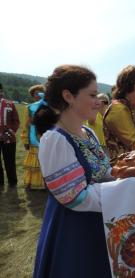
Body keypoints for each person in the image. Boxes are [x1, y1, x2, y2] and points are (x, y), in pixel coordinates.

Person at [32, 65, 113, 278]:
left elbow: (105, 172)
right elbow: (75, 198)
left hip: (99, 225)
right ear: (68, 96)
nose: (98, 101)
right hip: (73, 232)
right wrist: (125, 191)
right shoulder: (55, 139)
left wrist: (131, 177)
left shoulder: (88, 132)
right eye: (93, 95)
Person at [21, 84, 46, 190]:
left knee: (45, 161)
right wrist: (25, 139)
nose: (38, 95)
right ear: (32, 95)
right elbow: (26, 125)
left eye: (40, 92)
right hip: (33, 137)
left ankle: (45, 185)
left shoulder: (47, 107)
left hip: (45, 137)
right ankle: (32, 183)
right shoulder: (29, 108)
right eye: (36, 93)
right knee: (34, 160)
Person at [0, 82, 20, 188]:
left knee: (9, 161)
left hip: (8, 137)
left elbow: (16, 120)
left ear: (2, 91)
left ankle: (12, 182)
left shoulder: (9, 104)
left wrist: (9, 132)